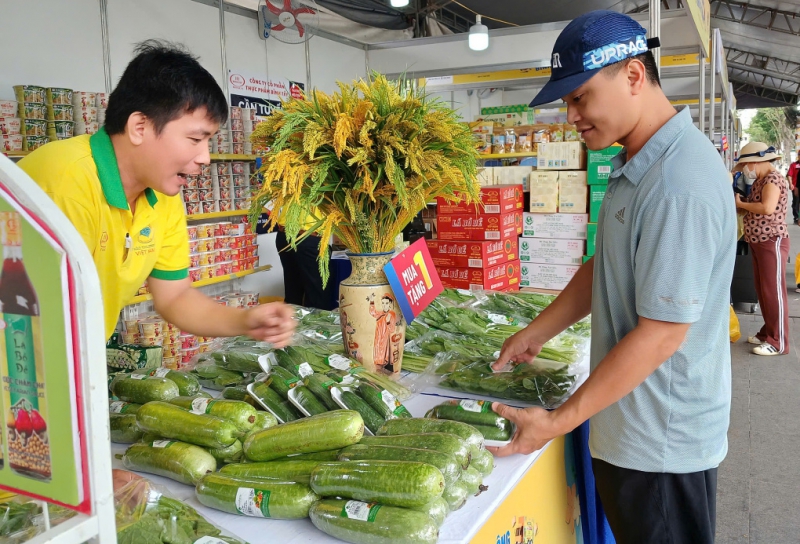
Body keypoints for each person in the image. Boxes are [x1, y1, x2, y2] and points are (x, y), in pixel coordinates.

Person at [486, 11, 736, 544]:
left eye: (580, 97)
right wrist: (535, 332)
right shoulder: (635, 161)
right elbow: (607, 264)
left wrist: (557, 422)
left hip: (661, 446)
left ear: (633, 76)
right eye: (566, 102)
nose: (571, 116)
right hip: (631, 430)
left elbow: (663, 332)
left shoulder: (678, 181)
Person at [18, 40, 295, 346]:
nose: (205, 157)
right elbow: (35, 317)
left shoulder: (162, 195)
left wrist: (247, 320)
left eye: (209, 142)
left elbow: (174, 296)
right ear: (140, 127)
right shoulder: (63, 182)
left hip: (74, 362)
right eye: (194, 138)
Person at [734, 142, 790, 355]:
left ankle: (778, 342)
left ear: (756, 162)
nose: (745, 169)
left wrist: (741, 205)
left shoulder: (773, 179)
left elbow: (767, 207)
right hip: (759, 241)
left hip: (771, 240)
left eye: (746, 164)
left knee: (773, 292)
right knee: (763, 290)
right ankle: (767, 332)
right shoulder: (761, 179)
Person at [788, 155, 800, 226]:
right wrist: (790, 184)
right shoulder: (794, 165)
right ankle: (796, 217)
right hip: (796, 187)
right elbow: (789, 175)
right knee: (796, 202)